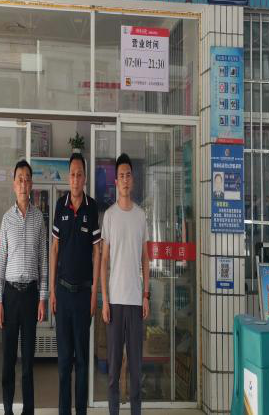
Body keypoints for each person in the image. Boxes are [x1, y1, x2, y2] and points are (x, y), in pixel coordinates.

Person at [0, 159, 48, 415]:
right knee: (8, 361)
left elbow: (43, 261)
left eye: (27, 179)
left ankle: (28, 411)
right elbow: (0, 261)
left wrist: (42, 298)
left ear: (31, 184)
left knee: (28, 363)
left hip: (31, 296)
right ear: (14, 185)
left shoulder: (39, 220)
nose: (23, 184)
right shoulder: (6, 220)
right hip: (10, 296)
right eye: (19, 179)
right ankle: (7, 410)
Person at [50, 152, 101, 415]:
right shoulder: (60, 205)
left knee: (81, 360)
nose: (76, 178)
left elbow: (97, 252)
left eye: (80, 174)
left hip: (83, 296)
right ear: (67, 177)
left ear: (85, 178)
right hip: (63, 292)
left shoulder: (92, 208)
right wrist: (52, 291)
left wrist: (94, 293)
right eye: (72, 174)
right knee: (63, 363)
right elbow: (54, 248)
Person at [100, 153, 150, 415]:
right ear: (116, 181)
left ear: (133, 179)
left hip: (135, 302)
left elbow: (145, 258)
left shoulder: (141, 216)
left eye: (128, 175)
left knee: (136, 370)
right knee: (113, 370)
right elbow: (104, 260)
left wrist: (146, 295)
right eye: (121, 175)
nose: (125, 179)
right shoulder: (109, 216)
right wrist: (104, 300)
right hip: (115, 303)